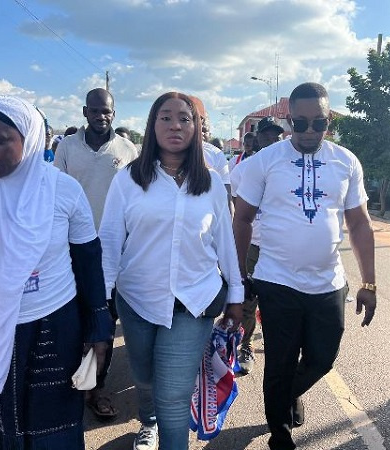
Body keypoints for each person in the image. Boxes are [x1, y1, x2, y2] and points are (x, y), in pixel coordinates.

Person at [0, 95, 112, 448]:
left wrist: (99, 329)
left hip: (51, 326)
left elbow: (89, 262)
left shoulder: (62, 190)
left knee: (51, 419)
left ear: (28, 140)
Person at [233, 82, 376, 450]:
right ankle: (280, 435)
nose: (310, 131)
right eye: (300, 123)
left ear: (329, 121)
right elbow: (243, 219)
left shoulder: (346, 161)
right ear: (287, 119)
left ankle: (283, 396)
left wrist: (369, 283)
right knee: (279, 361)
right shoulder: (265, 162)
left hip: (329, 282)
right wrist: (238, 276)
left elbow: (359, 223)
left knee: (322, 359)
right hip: (277, 280)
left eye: (319, 123)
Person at [99, 91, 243, 450]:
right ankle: (148, 422)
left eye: (185, 118)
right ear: (152, 125)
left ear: (197, 128)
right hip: (138, 300)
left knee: (173, 395)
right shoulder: (129, 180)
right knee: (145, 377)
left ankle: (166, 433)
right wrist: (101, 300)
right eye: (165, 117)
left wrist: (237, 296)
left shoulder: (209, 183)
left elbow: (225, 243)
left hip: (193, 303)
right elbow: (111, 241)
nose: (175, 125)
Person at [55, 88, 138, 420]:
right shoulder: (67, 148)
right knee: (71, 322)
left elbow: (136, 199)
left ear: (113, 114)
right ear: (85, 111)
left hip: (113, 254)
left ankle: (95, 387)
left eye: (107, 111)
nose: (101, 115)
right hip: (71, 251)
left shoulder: (127, 150)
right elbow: (56, 196)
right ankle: (70, 385)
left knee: (103, 324)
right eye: (95, 110)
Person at [231, 116, 283, 375]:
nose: (273, 139)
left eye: (277, 135)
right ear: (258, 137)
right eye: (267, 135)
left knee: (278, 302)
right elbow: (236, 212)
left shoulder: (290, 167)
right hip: (253, 246)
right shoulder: (243, 170)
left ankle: (279, 346)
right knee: (248, 301)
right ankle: (246, 344)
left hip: (281, 249)